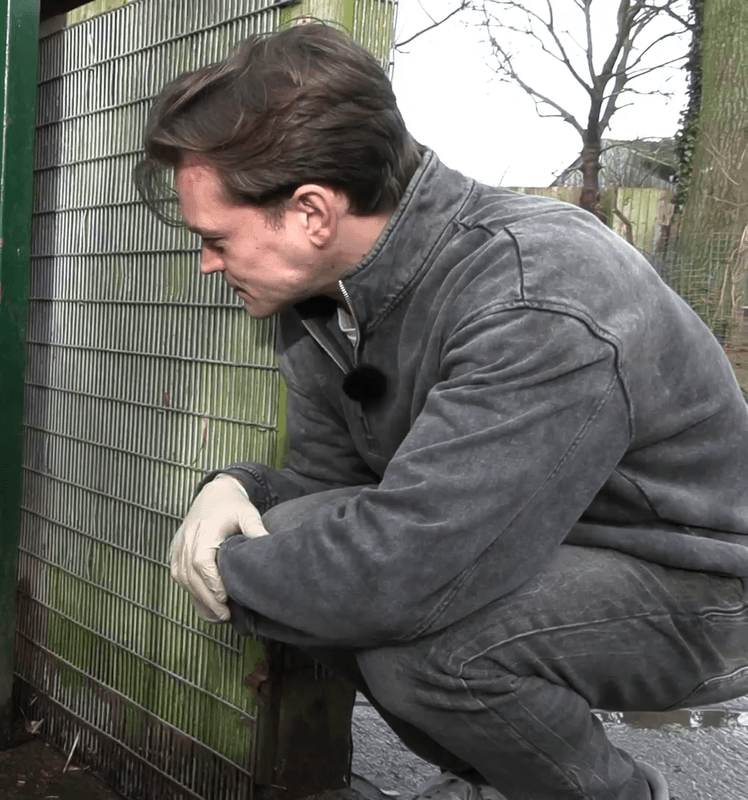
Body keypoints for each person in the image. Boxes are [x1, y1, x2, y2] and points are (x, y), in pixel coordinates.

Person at [134, 19, 748, 800]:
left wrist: (222, 567)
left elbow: (403, 575)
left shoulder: (539, 294)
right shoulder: (321, 300)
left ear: (314, 212)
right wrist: (238, 490)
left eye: (216, 238)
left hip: (700, 583)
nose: (206, 262)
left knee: (425, 650)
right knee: (301, 552)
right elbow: (330, 487)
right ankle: (502, 779)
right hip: (537, 546)